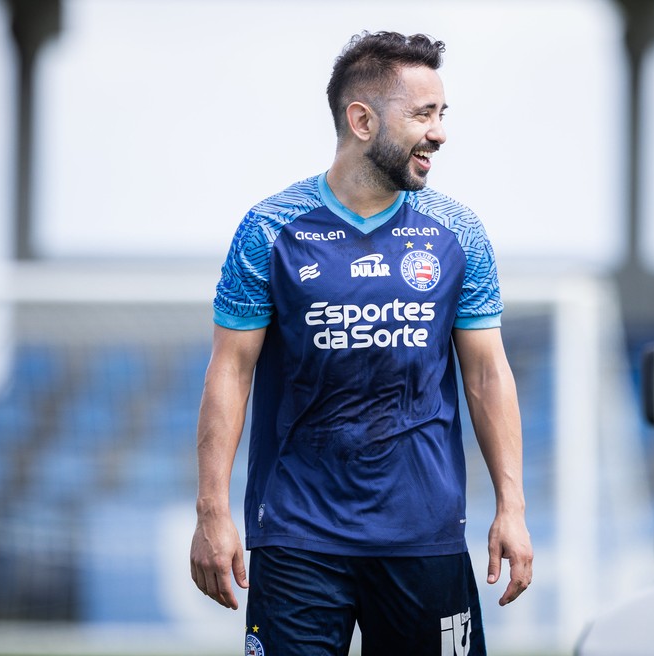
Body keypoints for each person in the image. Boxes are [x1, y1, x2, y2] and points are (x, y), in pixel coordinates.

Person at [190, 30, 533, 656]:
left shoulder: (458, 233)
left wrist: (512, 505)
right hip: (297, 537)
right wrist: (212, 511)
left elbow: (487, 376)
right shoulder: (270, 229)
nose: (439, 133)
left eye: (442, 114)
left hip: (424, 535)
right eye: (423, 115)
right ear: (362, 120)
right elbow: (229, 373)